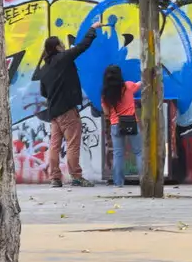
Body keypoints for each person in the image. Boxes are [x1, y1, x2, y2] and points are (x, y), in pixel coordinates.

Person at [37, 27, 96, 187]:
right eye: (61, 44)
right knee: (72, 143)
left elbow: (44, 92)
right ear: (57, 47)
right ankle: (76, 176)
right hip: (67, 110)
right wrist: (92, 30)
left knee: (54, 145)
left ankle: (55, 178)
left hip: (54, 112)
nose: (64, 46)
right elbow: (82, 46)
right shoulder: (63, 58)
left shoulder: (44, 69)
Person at [100, 64, 143, 188]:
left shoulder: (105, 94)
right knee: (139, 152)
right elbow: (141, 83)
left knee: (118, 154)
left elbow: (106, 112)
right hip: (131, 122)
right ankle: (144, 180)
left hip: (116, 124)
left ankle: (118, 183)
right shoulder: (128, 86)